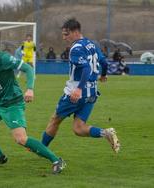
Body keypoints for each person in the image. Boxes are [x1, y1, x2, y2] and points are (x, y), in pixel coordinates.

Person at [0, 32, 64, 174]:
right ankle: (0, 156)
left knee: (21, 139)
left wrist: (30, 89)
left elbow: (28, 68)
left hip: (12, 103)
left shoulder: (3, 58)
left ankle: (57, 160)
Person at [41, 18, 120, 154]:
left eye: (66, 34)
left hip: (76, 93)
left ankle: (41, 149)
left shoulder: (76, 48)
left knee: (54, 120)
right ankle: (106, 133)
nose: (64, 37)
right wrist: (103, 75)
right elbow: (104, 63)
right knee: (78, 128)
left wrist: (78, 88)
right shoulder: (92, 44)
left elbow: (86, 69)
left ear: (75, 32)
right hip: (92, 93)